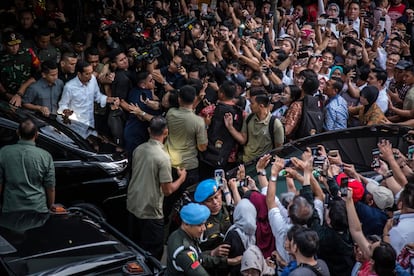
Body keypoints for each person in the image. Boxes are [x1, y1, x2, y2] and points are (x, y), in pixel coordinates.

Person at [127, 116, 186, 260]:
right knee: (153, 254)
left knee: (134, 248)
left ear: (148, 130)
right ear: (166, 132)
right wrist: (182, 178)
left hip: (133, 204)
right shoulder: (163, 158)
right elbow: (168, 190)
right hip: (150, 211)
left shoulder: (139, 149)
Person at [0, 118, 55, 213]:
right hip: (38, 209)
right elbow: (50, 187)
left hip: (11, 209)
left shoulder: (4, 152)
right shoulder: (45, 156)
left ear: (17, 132)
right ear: (37, 134)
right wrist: (51, 206)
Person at [57, 60, 120, 129]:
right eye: (87, 74)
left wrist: (111, 99)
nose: (90, 76)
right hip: (75, 123)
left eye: (91, 73)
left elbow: (98, 97)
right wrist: (66, 111)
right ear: (79, 74)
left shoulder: (92, 80)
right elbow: (62, 105)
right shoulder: (69, 87)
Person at [166, 203, 211, 275]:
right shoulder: (184, 252)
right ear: (186, 224)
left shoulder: (177, 234)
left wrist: (214, 254)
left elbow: (197, 257)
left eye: (204, 224)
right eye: (199, 225)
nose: (204, 228)